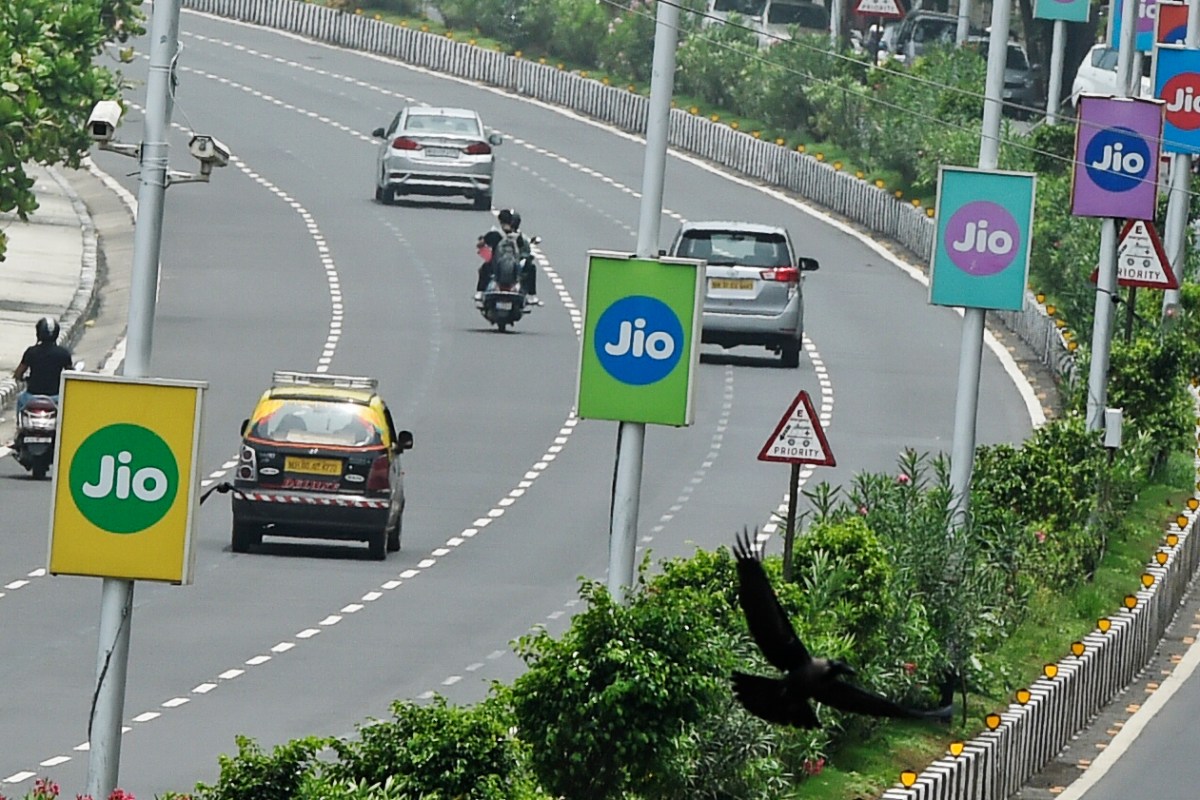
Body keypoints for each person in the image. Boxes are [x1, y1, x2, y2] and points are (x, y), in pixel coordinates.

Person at [474, 208, 541, 306]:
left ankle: (480, 292)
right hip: (516, 268)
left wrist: (484, 246)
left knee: (485, 267)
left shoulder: (495, 234)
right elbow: (526, 252)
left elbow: (480, 245)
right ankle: (532, 295)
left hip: (497, 267)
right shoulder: (520, 237)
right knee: (531, 268)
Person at [13, 317, 74, 415]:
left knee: (20, 400)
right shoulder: (63, 353)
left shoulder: (31, 352)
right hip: (55, 397)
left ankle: (19, 425)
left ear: (38, 333)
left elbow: (18, 373)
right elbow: (71, 374)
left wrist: (22, 379)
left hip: (32, 396)